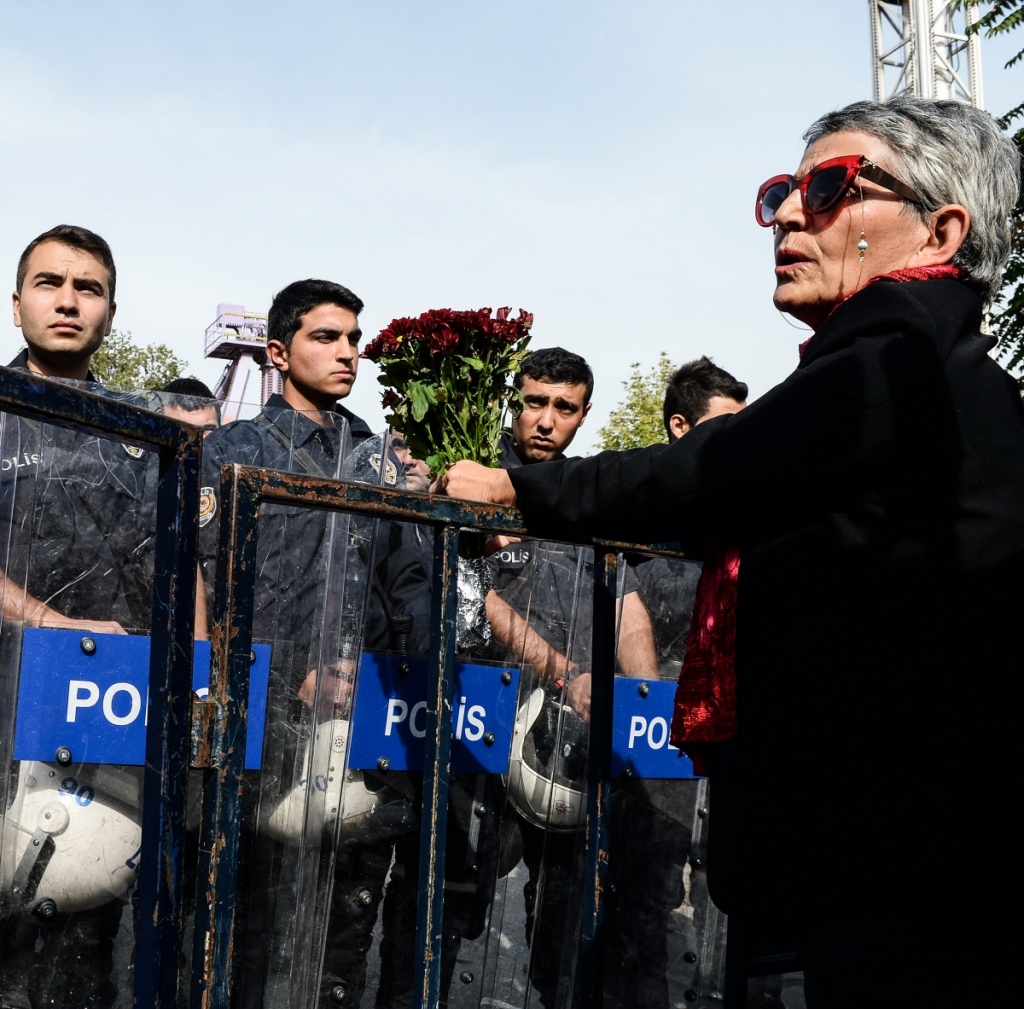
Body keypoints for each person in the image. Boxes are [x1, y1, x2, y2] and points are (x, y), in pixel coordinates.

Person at [439, 96, 1024, 1006]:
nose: (790, 212)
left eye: (832, 187)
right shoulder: (930, 365)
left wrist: (522, 489)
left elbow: (719, 469)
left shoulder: (898, 355)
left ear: (939, 230)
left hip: (904, 852)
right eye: (783, 190)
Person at [198, 279, 430, 1008]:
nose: (348, 353)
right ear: (277, 350)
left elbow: (403, 589)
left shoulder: (374, 458)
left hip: (351, 734)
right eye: (326, 337)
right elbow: (204, 584)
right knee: (232, 930)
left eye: (355, 339)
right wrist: (289, 676)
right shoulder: (232, 450)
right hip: (253, 725)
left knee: (336, 945)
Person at [477, 348, 660, 1008]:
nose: (547, 420)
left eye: (564, 407)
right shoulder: (478, 475)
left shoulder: (591, 496)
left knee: (564, 928)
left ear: (584, 414)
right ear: (512, 400)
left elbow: (626, 599)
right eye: (534, 401)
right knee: (446, 911)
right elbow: (474, 594)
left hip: (573, 747)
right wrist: (565, 673)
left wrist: (643, 708)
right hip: (484, 732)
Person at [0, 225, 135, 1009]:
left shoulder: (138, 433)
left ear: (111, 313)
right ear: (16, 300)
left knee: (86, 948)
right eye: (50, 282)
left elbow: (174, 564)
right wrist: (47, 623)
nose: (68, 300)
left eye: (88, 288)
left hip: (100, 723)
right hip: (6, 709)